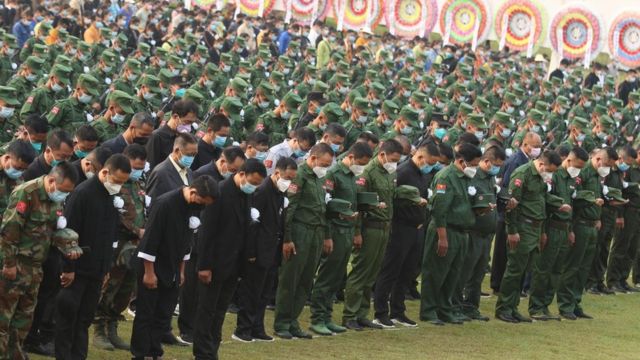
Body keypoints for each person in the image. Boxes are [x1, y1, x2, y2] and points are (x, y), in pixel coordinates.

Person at [130, 175, 218, 360]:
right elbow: (150, 240)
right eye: (201, 202)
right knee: (146, 314)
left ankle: (155, 351)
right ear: (193, 192)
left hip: (173, 267)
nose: (202, 207)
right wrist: (149, 273)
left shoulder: (192, 207)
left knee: (163, 314)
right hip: (152, 265)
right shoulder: (165, 204)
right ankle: (140, 353)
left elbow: (187, 241)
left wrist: (181, 270)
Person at [54, 154, 131, 359]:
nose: (119, 186)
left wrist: (105, 268)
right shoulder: (82, 194)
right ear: (105, 172)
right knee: (68, 317)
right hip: (77, 270)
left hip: (97, 271)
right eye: (118, 181)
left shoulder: (109, 196)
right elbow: (67, 235)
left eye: (123, 182)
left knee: (84, 319)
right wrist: (68, 268)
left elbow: (108, 236)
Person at [0, 162, 80, 359]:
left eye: (67, 192)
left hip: (36, 267)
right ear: (52, 181)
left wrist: (68, 245)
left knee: (24, 318)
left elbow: (51, 229)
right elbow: (9, 231)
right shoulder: (26, 193)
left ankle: (15, 354)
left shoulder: (56, 198)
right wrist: (9, 264)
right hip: (16, 264)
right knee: (3, 317)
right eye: (63, 190)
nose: (63, 195)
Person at [194, 159, 267, 358]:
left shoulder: (245, 194)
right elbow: (207, 233)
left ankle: (212, 350)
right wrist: (204, 266)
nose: (254, 187)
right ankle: (202, 353)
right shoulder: (219, 192)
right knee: (207, 311)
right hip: (215, 263)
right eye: (253, 181)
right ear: (242, 174)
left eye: (258, 184)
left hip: (233, 266)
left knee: (220, 312)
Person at [310, 142, 372, 335]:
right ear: (351, 157)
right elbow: (326, 207)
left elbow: (352, 206)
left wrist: (356, 231)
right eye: (360, 163)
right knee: (326, 277)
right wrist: (327, 236)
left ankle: (327, 317)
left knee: (337, 277)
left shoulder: (352, 176)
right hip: (335, 230)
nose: (361, 167)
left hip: (347, 231)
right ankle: (317, 318)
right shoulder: (333, 174)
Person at [272, 143, 333, 339]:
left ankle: (293, 321)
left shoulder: (319, 178)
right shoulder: (299, 176)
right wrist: (288, 239)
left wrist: (325, 236)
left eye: (328, 165)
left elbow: (322, 208)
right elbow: (290, 208)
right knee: (291, 279)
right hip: (300, 232)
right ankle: (282, 322)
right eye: (324, 163)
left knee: (306, 280)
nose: (325, 168)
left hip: (316, 233)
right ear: (313, 159)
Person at [495, 150, 564, 323]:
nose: (551, 174)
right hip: (522, 227)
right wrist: (512, 231)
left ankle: (513, 307)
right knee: (514, 271)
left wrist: (558, 205)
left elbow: (540, 200)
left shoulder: (540, 176)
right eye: (551, 170)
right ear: (542, 164)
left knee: (523, 270)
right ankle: (504, 308)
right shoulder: (522, 174)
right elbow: (512, 205)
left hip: (534, 228)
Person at [234, 157, 297, 342]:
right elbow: (253, 225)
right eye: (287, 177)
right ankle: (242, 329)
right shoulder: (262, 191)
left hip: (272, 251)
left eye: (292, 179)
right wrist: (251, 253)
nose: (289, 182)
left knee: (264, 293)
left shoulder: (280, 192)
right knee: (251, 291)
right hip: (259, 251)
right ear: (277, 173)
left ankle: (257, 328)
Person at [342, 139, 403, 330]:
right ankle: (349, 314)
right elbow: (359, 204)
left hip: (384, 228)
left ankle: (361, 314)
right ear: (382, 154)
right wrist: (357, 232)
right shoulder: (368, 172)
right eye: (392, 159)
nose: (394, 163)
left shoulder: (389, 173)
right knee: (360, 272)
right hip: (369, 227)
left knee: (372, 274)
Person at [373, 143, 436, 328]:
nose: (431, 166)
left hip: (416, 229)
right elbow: (392, 199)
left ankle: (398, 311)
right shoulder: (403, 172)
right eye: (430, 162)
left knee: (407, 273)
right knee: (390, 271)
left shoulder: (421, 174)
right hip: (400, 228)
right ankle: (381, 312)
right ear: (421, 157)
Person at [420, 143, 482, 325]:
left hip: (462, 232)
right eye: (474, 164)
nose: (475, 168)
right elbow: (439, 210)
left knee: (453, 274)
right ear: (462, 161)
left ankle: (445, 309)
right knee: (436, 272)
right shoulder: (446, 177)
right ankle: (429, 310)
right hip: (445, 230)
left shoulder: (465, 178)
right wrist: (442, 237)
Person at [94, 144, 148, 351]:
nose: (138, 171)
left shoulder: (138, 183)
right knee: (110, 287)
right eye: (135, 167)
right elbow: (113, 215)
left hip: (135, 247)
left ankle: (112, 327)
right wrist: (137, 230)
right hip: (118, 245)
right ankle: (99, 330)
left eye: (141, 167)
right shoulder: (114, 184)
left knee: (125, 289)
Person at [528, 146, 588, 320]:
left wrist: (569, 230)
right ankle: (536, 307)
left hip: (564, 230)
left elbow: (571, 206)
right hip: (551, 228)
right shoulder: (553, 176)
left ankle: (545, 305)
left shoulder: (570, 179)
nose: (578, 171)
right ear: (568, 161)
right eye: (577, 166)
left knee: (557, 271)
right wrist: (543, 232)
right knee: (543, 269)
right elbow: (545, 206)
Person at [490, 132, 542, 293]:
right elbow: (508, 188)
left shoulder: (526, 160)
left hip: (515, 212)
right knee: (503, 253)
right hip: (508, 213)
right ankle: (499, 285)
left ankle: (504, 285)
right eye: (535, 147)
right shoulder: (516, 161)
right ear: (525, 145)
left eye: (539, 147)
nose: (538, 150)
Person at [146, 99, 199, 170]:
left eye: (191, 123)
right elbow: (150, 166)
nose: (189, 127)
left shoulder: (185, 138)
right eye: (187, 122)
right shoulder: (157, 136)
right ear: (175, 116)